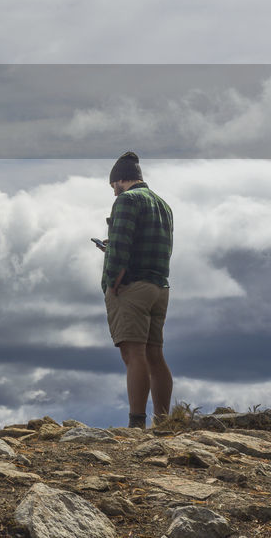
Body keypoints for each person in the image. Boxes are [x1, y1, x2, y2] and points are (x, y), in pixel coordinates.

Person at [101, 151, 173, 429]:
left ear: (120, 180)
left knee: (133, 354)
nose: (113, 192)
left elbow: (120, 249)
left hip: (132, 287)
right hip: (159, 285)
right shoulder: (162, 204)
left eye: (112, 187)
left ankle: (136, 423)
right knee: (155, 354)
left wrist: (113, 281)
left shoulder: (127, 201)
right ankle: (164, 421)